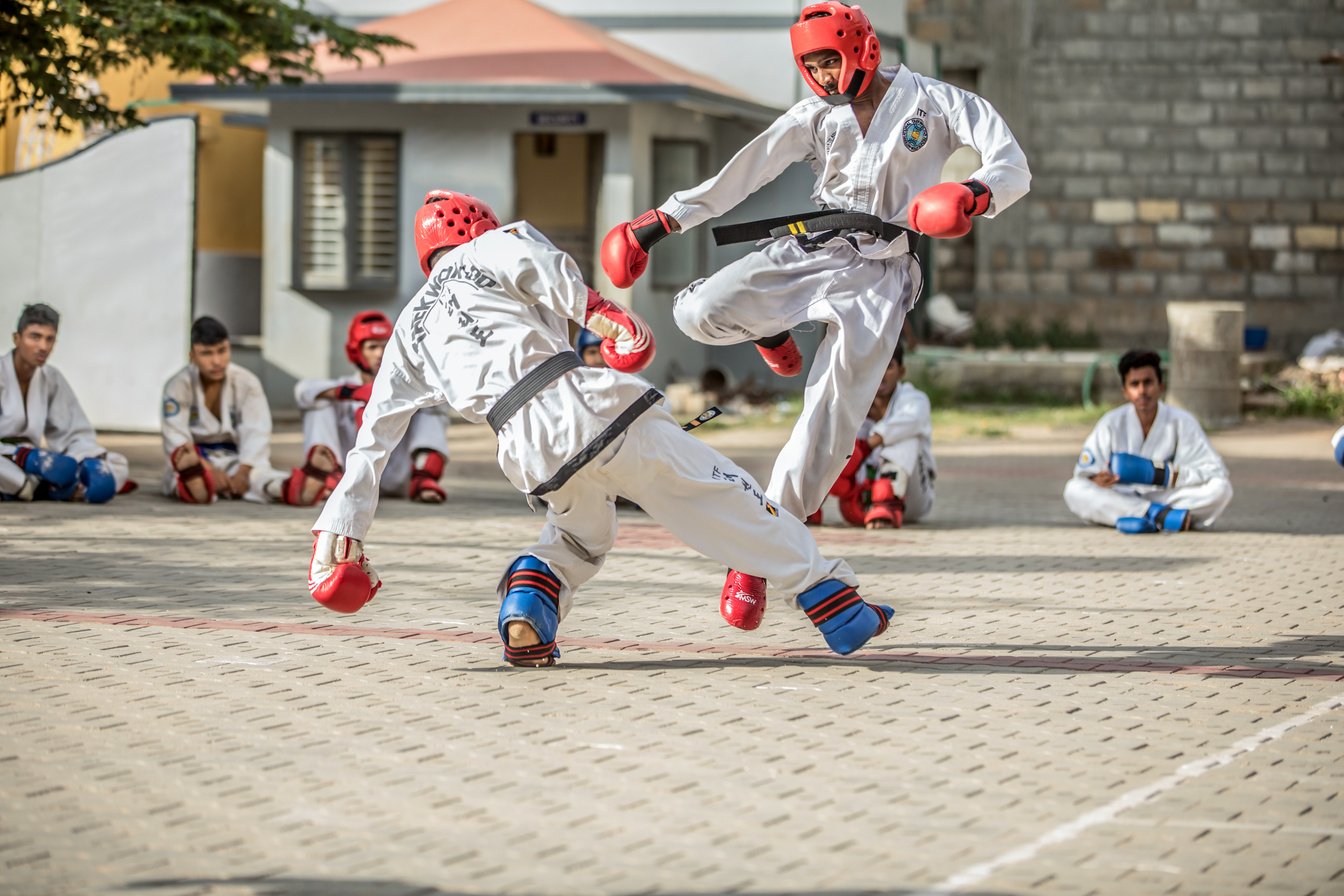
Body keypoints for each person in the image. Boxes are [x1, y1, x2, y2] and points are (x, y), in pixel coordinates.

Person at [307, 190, 895, 666]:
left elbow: (372, 441)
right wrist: (602, 312)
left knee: (580, 536)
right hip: (579, 401)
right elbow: (535, 265)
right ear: (476, 228)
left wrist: (341, 535)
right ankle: (835, 603)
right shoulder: (494, 245)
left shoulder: (408, 327)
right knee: (720, 492)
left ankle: (528, 610)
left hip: (524, 448)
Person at [600, 1, 1030, 629]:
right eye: (813, 65)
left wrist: (973, 193)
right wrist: (659, 221)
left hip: (882, 275)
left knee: (827, 425)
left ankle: (757, 547)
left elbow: (1010, 161)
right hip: (813, 249)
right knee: (697, 311)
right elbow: (741, 173)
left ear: (864, 48)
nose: (825, 77)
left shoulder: (937, 102)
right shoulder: (816, 117)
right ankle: (769, 326)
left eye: (831, 60)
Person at [1064, 349, 1233, 533]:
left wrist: (1166, 475)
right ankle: (1158, 516)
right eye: (1134, 384)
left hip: (1165, 496)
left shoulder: (1182, 422)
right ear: (1125, 392)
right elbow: (1083, 473)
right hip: (1122, 495)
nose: (1142, 391)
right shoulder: (1110, 423)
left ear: (1161, 386)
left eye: (1148, 382)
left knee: (1221, 489)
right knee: (1074, 490)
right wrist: (1097, 478)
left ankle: (1140, 516)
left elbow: (1215, 471)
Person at [293, 310, 450, 505]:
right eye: (372, 347)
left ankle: (424, 476)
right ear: (356, 351)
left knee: (432, 405)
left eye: (385, 346)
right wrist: (352, 392)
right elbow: (303, 391)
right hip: (346, 477)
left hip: (396, 478)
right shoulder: (342, 387)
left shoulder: (407, 387)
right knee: (319, 403)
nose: (380, 353)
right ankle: (325, 476)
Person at [160, 316, 317, 504]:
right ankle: (197, 484)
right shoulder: (177, 385)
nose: (217, 361)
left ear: (229, 349)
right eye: (206, 353)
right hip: (196, 461)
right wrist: (207, 468)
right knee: (180, 476)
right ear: (192, 355)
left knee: (260, 477)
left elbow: (257, 430)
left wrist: (243, 471)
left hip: (237, 459)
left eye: (222, 351)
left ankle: (288, 489)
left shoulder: (247, 382)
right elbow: (176, 437)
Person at [0, 303, 132, 502]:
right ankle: (44, 488)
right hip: (7, 460)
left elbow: (73, 432)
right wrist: (20, 456)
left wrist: (89, 461)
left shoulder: (51, 378)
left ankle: (44, 486)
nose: (43, 347)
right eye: (34, 336)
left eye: (49, 339)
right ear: (16, 339)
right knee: (18, 472)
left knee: (114, 464)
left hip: (36, 463)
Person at [819, 342, 935, 529]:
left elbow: (912, 420)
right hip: (863, 498)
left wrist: (868, 445)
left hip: (912, 501)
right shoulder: (856, 404)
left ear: (901, 371)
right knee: (833, 438)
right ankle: (809, 505)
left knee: (907, 437)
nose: (880, 374)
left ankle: (887, 503)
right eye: (875, 367)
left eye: (888, 367)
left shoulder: (914, 399)